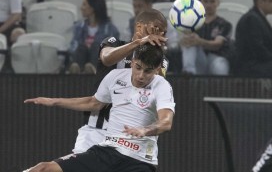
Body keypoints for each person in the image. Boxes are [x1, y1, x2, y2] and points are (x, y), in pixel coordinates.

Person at [23, 42, 175, 172]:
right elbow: (93, 103)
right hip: (107, 151)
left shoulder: (161, 86)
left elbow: (166, 122)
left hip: (139, 160)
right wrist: (54, 101)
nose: (141, 75)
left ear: (157, 70)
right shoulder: (115, 76)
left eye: (148, 71)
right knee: (44, 168)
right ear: (133, 60)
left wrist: (145, 130)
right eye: (138, 67)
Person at [180, 0, 232, 75]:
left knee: (220, 66)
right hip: (199, 58)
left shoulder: (224, 24)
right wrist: (185, 41)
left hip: (217, 57)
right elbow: (183, 43)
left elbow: (217, 45)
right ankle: (188, 73)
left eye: (212, 1)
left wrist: (199, 41)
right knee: (190, 44)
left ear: (218, 3)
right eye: (206, 1)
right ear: (200, 3)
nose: (208, 5)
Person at [232, 0, 272, 77]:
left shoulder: (256, 17)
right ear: (260, 2)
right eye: (271, 1)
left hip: (256, 63)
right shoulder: (252, 19)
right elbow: (257, 49)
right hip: (250, 66)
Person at [68, 0, 120, 74]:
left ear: (93, 7)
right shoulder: (79, 27)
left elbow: (112, 51)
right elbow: (72, 48)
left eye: (84, 4)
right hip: (81, 59)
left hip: (100, 63)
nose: (81, 8)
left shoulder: (110, 29)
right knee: (81, 48)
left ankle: (93, 69)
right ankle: (77, 71)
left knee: (97, 46)